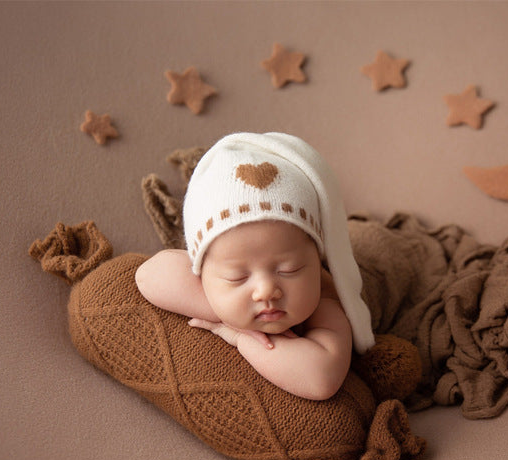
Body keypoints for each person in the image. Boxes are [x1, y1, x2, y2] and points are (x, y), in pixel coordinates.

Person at [135, 132, 375, 401]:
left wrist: (240, 337)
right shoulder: (208, 273)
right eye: (237, 277)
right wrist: (226, 314)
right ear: (201, 272)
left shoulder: (326, 301)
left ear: (317, 261)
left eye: (289, 270)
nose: (266, 291)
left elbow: (320, 379)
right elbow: (148, 275)